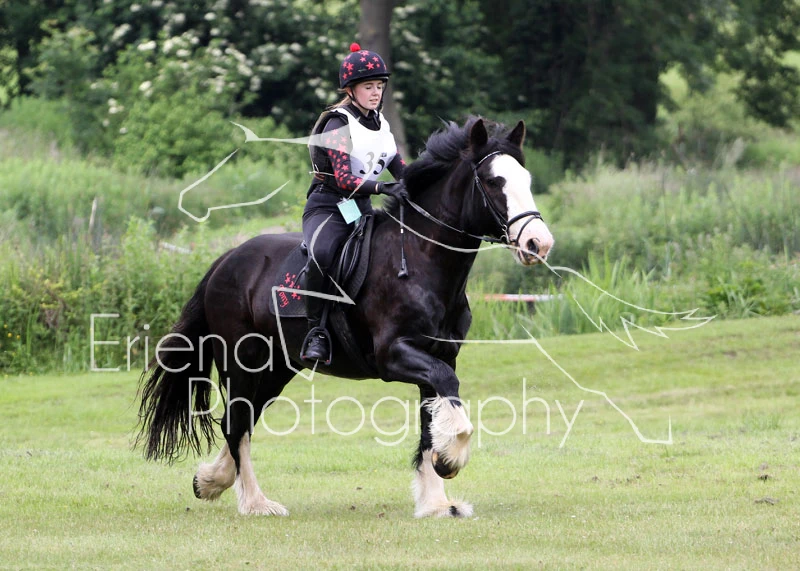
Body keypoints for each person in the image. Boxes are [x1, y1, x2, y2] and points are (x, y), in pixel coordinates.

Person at [300, 43, 408, 364]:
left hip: (358, 207)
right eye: (368, 87)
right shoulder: (337, 124)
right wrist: (384, 187)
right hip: (328, 206)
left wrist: (423, 185)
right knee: (322, 254)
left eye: (379, 86)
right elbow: (345, 179)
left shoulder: (381, 123)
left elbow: (400, 168)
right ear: (351, 90)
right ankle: (315, 331)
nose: (376, 93)